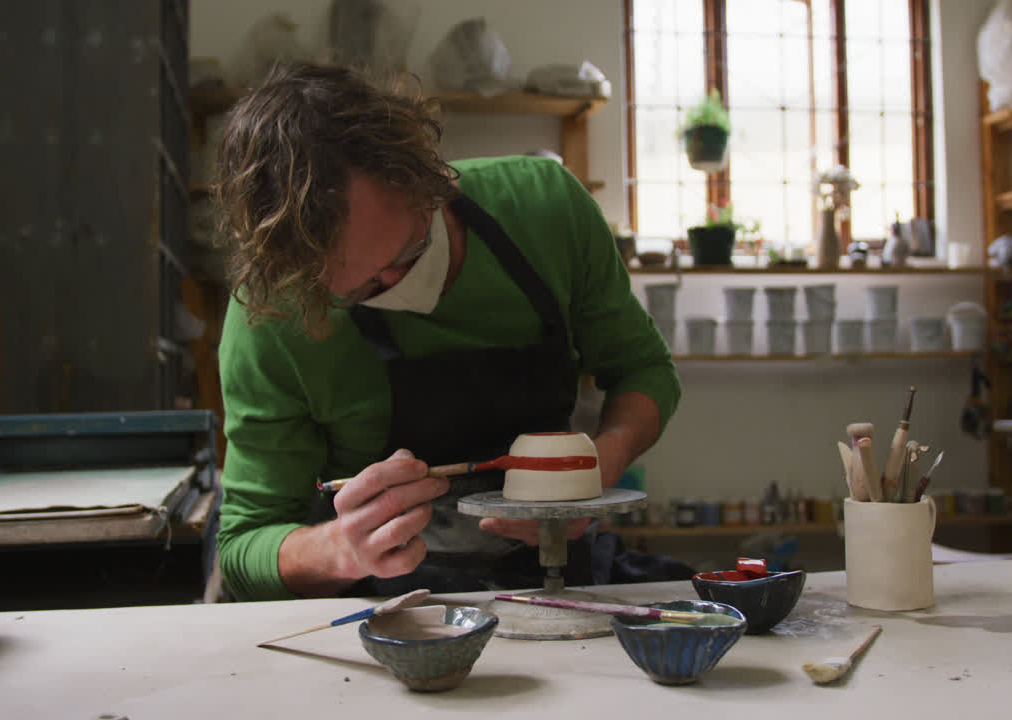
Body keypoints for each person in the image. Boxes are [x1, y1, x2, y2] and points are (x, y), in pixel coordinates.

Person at [212, 63, 691, 600]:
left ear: (424, 173)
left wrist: (601, 464)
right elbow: (243, 545)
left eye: (411, 252)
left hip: (557, 578)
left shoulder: (545, 210)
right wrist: (339, 548)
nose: (399, 286)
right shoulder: (272, 315)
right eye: (360, 289)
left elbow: (645, 369)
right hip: (385, 604)